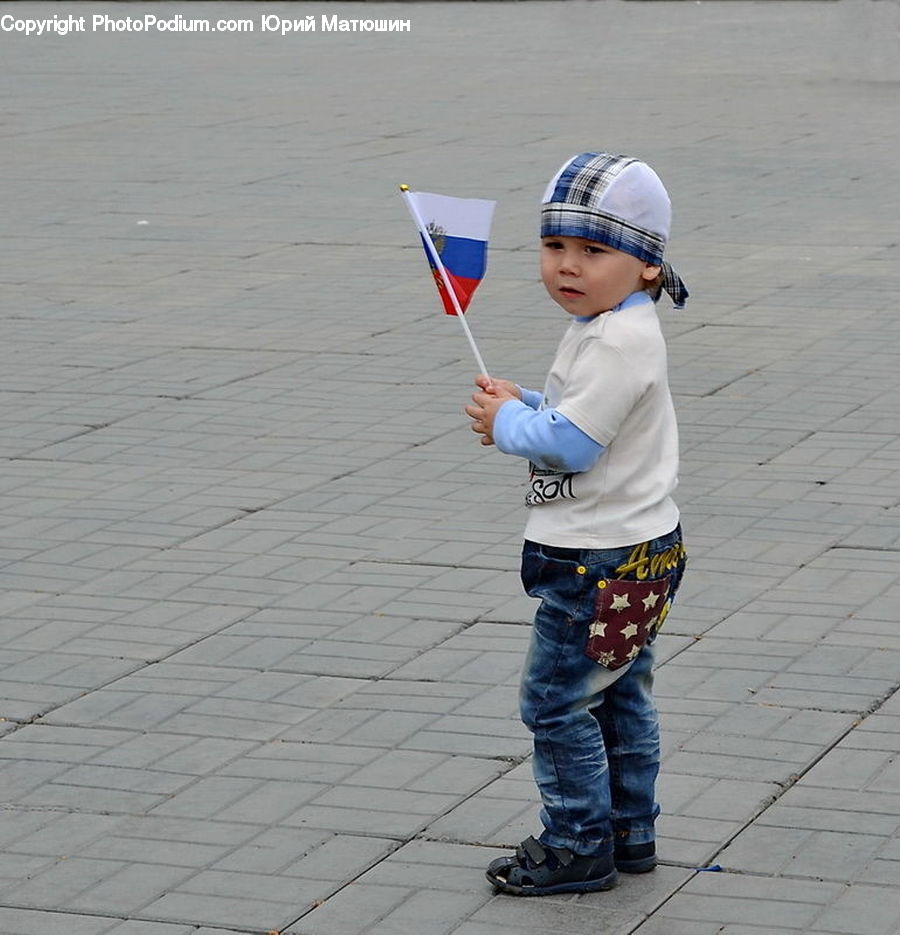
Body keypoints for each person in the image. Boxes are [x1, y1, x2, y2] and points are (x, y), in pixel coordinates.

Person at [465, 152, 689, 896]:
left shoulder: (619, 340)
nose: (569, 266)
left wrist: (506, 423)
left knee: (555, 701)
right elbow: (574, 407)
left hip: (600, 560)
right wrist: (524, 398)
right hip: (638, 550)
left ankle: (577, 842)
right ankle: (630, 829)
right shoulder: (609, 323)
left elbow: (572, 441)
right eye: (556, 246)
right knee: (619, 692)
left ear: (648, 265)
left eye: (595, 250)